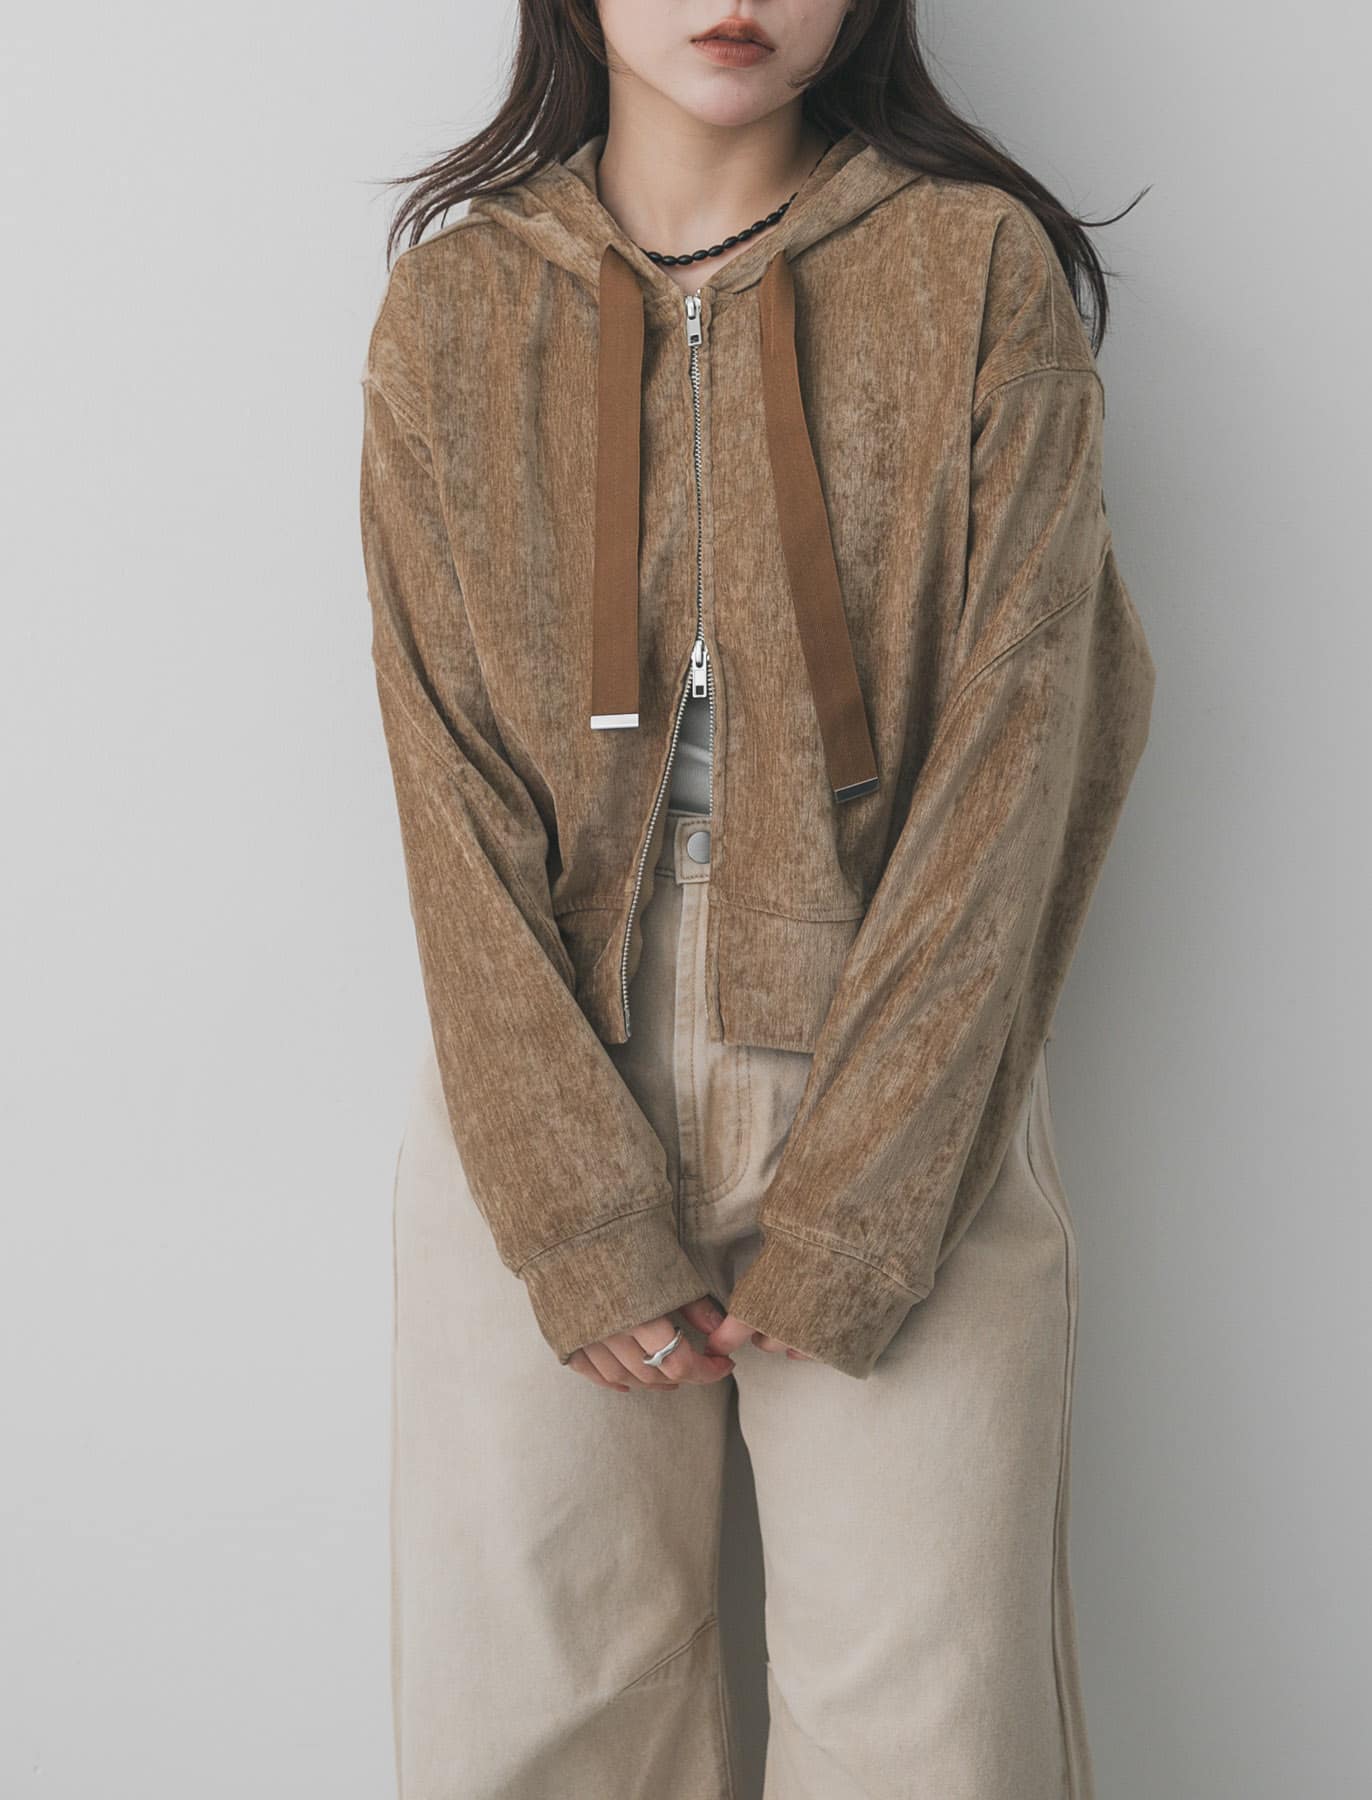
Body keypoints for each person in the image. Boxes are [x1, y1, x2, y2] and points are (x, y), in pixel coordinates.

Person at [357, 3, 1156, 1795]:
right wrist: (569, 1211)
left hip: (909, 1087)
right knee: (538, 1736)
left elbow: (1028, 743)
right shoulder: (457, 306)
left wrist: (867, 1205)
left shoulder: (976, 271)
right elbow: (441, 773)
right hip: (539, 1091)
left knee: (928, 1744)